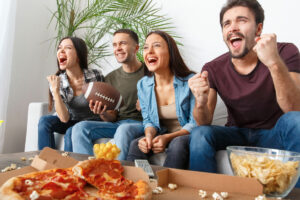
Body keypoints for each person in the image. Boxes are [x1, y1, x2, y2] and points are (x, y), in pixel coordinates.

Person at [188, 0, 300, 186]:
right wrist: (200, 101)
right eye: (227, 23)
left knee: (297, 120)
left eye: (241, 20)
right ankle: (205, 194)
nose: (232, 28)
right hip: (236, 135)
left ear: (258, 29)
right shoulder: (212, 68)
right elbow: (203, 122)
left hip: (274, 133)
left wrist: (273, 63)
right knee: (200, 133)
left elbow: (294, 108)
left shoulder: (284, 52)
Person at [71, 29, 146, 160]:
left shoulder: (150, 73)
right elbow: (112, 117)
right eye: (115, 45)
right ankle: (88, 172)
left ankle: (114, 176)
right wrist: (102, 112)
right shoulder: (110, 78)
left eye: (122, 43)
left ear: (136, 48)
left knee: (124, 129)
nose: (118, 48)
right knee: (79, 128)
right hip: (118, 124)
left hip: (142, 124)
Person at [126, 31, 196, 169]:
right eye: (146, 47)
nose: (149, 51)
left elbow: (195, 123)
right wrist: (148, 137)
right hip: (162, 133)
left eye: (156, 46)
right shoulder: (143, 84)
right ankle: (141, 183)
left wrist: (168, 138)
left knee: (177, 144)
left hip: (185, 135)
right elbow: (149, 121)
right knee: (137, 144)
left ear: (171, 52)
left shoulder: (190, 81)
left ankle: (167, 186)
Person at [38, 36, 104, 151]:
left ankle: (70, 167)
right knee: (44, 121)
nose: (61, 51)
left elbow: (105, 105)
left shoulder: (95, 75)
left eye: (67, 48)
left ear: (78, 55)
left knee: (71, 132)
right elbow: (64, 118)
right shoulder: (58, 81)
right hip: (71, 120)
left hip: (92, 120)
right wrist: (56, 91)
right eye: (59, 48)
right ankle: (47, 162)